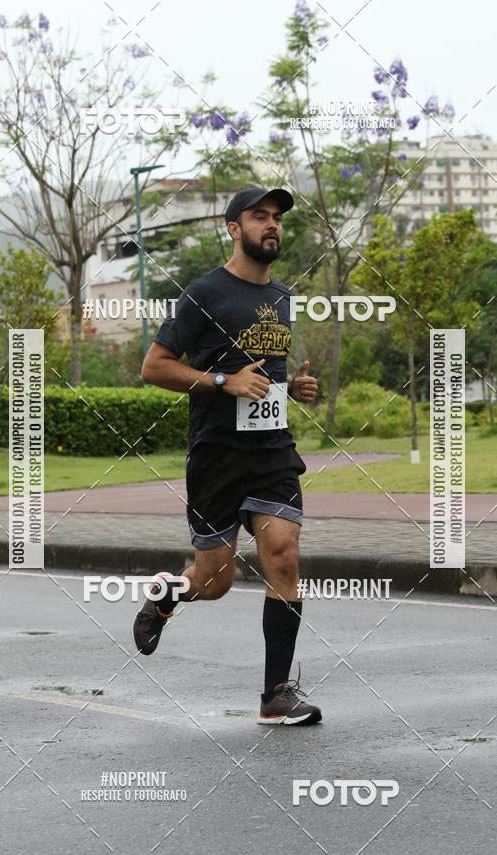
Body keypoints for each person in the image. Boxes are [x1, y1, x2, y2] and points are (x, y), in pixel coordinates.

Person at [133, 185, 322, 725]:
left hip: (272, 451)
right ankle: (169, 592)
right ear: (233, 228)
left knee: (283, 553)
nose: (272, 225)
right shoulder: (203, 294)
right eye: (258, 216)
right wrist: (223, 381)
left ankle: (275, 695)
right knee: (214, 583)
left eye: (277, 218)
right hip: (216, 454)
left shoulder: (283, 298)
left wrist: (298, 391)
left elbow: (267, 377)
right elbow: (156, 367)